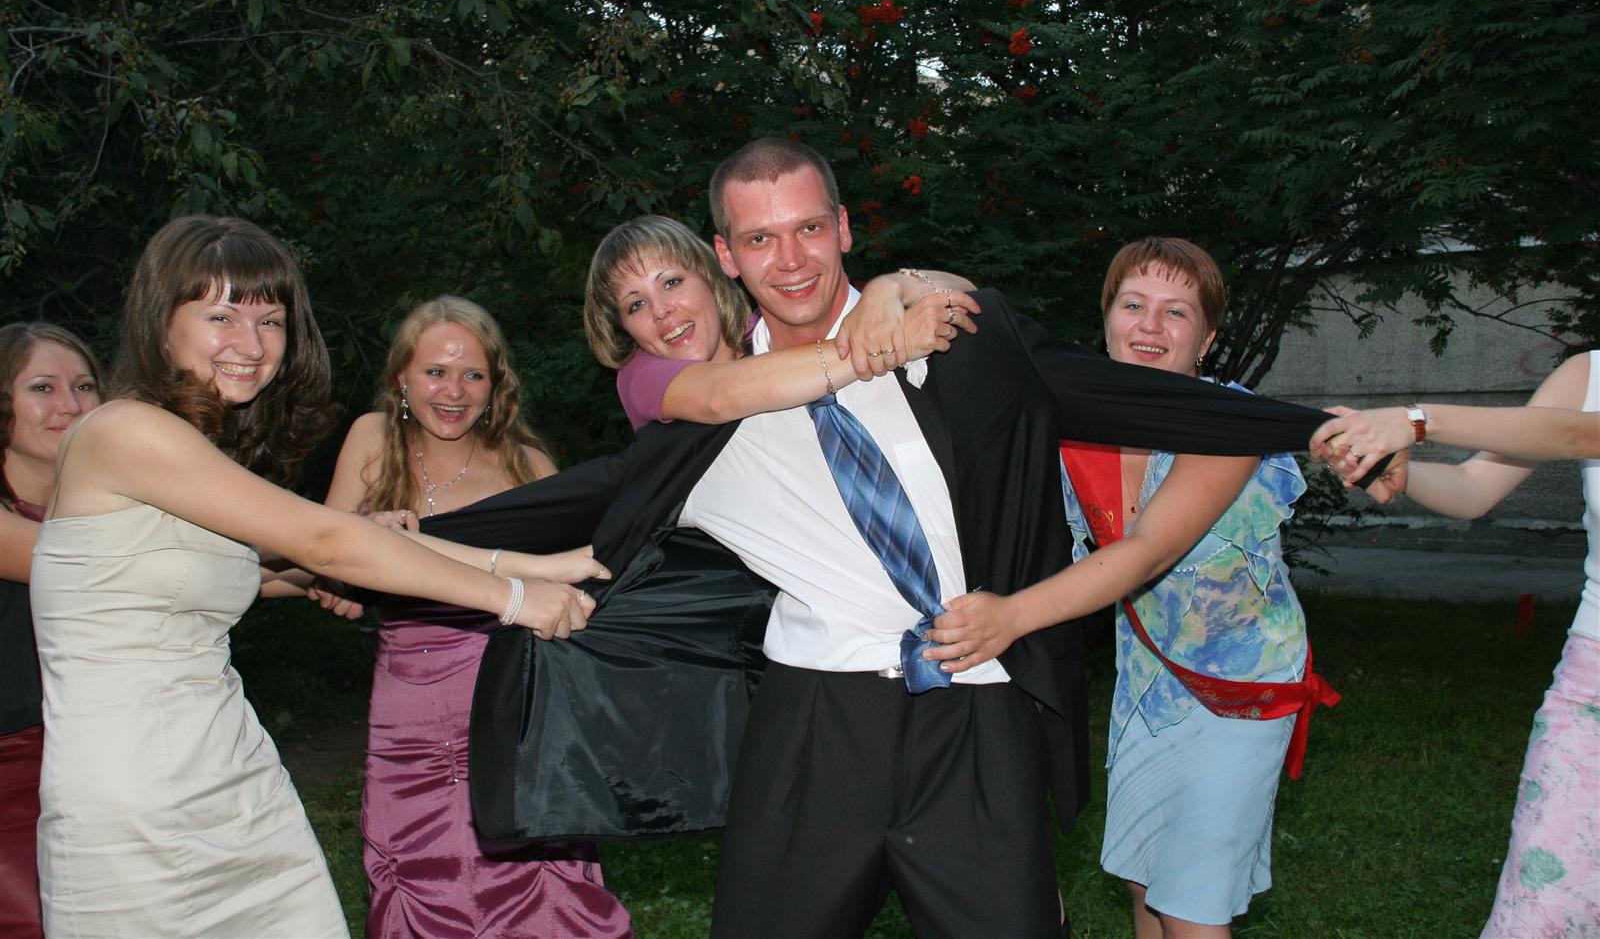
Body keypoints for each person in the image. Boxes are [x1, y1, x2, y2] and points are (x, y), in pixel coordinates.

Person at [430, 138, 1362, 938]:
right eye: (759, 239)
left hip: (977, 701)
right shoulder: (695, 415)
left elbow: (1110, 391)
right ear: (728, 255)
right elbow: (575, 519)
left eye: (807, 228)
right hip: (813, 720)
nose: (789, 259)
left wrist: (1311, 426)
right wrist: (397, 544)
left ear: (842, 227)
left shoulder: (950, 335)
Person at [29, 215, 601, 938]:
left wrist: (541, 565)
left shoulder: (194, 456)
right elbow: (327, 540)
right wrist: (513, 598)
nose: (251, 343)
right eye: (220, 316)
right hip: (131, 796)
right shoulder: (123, 431)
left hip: (235, 773)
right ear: (160, 323)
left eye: (270, 320)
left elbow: (308, 558)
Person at [1048, 239, 1336, 938]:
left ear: (1205, 340)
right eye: (1133, 304)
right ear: (1107, 319)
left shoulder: (1228, 421)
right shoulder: (1077, 428)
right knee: (1147, 885)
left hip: (1242, 693)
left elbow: (1147, 553)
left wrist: (1007, 617)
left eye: (1176, 312)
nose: (1150, 325)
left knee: (1190, 905)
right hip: (1148, 689)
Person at [323, 296, 631, 938]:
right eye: (435, 372)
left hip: (511, 696)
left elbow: (574, 589)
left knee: (540, 880)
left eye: (473, 375)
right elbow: (326, 546)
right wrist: (337, 579)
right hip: (408, 712)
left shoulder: (528, 466)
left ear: (495, 387)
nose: (454, 392)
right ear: (401, 378)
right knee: (420, 872)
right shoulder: (372, 440)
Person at [1313, 353, 1599, 938]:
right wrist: (1390, 464)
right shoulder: (1587, 374)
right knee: (1542, 912)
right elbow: (1473, 490)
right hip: (1590, 685)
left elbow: (1578, 435)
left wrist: (1414, 421)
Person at [582, 213, 978, 431]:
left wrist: (889, 289)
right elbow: (721, 396)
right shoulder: (641, 377)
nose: (661, 311)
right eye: (636, 305)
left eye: (671, 282)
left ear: (710, 275)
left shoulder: (767, 331)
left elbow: (967, 292)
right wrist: (892, 342)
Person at [0, 323, 102, 939]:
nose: (70, 404)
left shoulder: (111, 509)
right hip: (10, 769)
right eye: (43, 387)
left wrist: (319, 575)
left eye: (84, 386)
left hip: (96, 758)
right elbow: (100, 567)